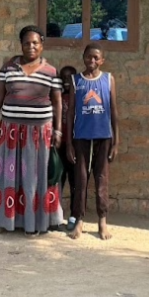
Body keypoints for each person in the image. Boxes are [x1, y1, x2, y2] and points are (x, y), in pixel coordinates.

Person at [0, 25, 65, 235]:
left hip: (39, 134)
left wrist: (58, 131)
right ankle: (0, 220)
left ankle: (33, 224)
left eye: (35, 43)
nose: (31, 46)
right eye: (27, 43)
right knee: (6, 176)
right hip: (10, 132)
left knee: (34, 178)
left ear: (42, 45)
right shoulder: (8, 68)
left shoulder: (51, 71)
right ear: (21, 45)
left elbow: (57, 103)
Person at [65, 44, 119, 240]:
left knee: (102, 180)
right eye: (89, 57)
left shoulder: (108, 79)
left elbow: (113, 111)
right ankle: (79, 220)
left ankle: (102, 221)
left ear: (102, 60)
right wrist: (69, 143)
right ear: (83, 58)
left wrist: (116, 142)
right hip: (81, 137)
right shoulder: (76, 80)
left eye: (96, 58)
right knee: (81, 180)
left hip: (103, 137)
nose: (92, 61)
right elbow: (71, 112)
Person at [57, 65, 81, 230]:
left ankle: (74, 214)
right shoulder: (56, 97)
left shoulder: (79, 98)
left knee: (75, 181)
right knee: (58, 181)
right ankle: (55, 215)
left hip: (75, 146)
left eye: (70, 78)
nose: (67, 81)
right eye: (63, 78)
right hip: (59, 146)